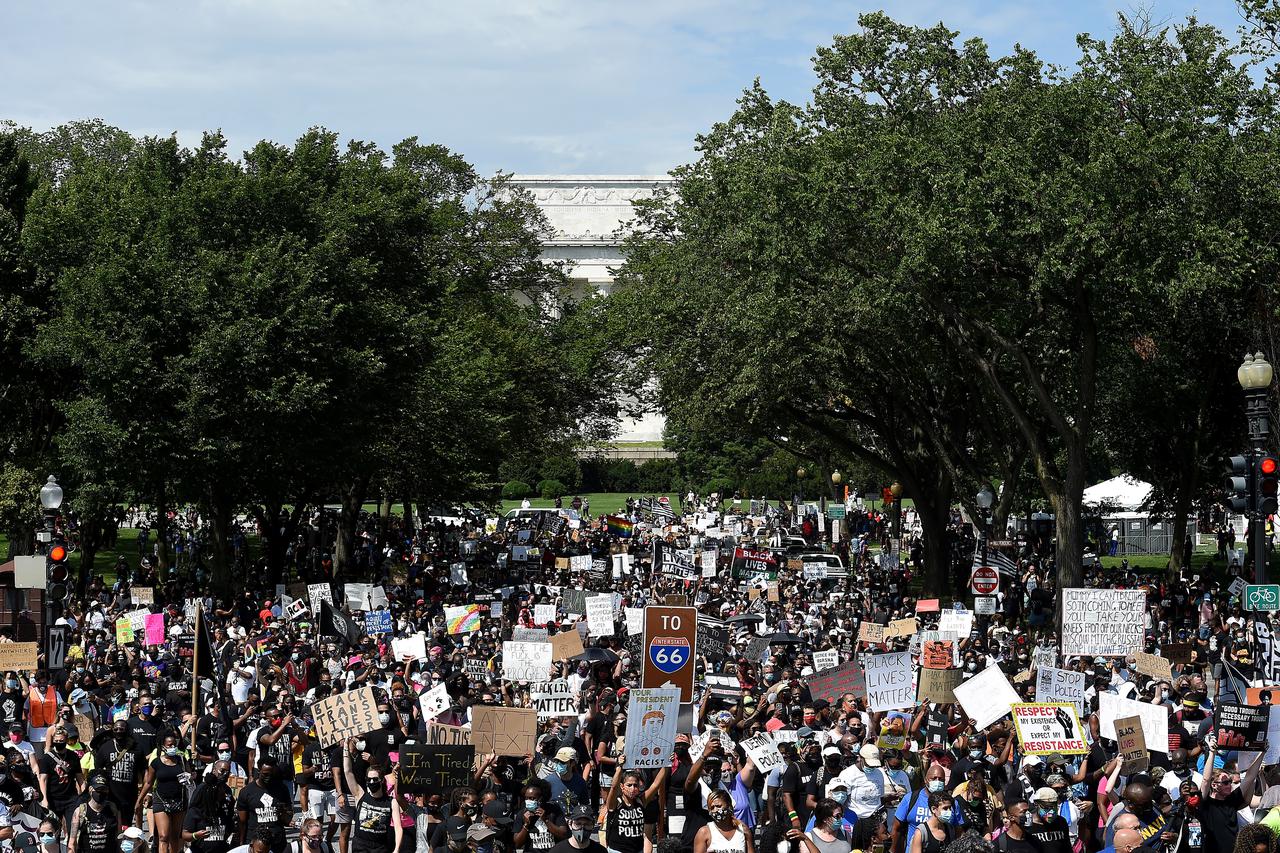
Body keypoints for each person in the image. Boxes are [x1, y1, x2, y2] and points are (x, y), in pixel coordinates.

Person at [342, 738, 402, 853]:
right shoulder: (360, 795)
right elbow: (347, 771)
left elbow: (398, 828)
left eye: (375, 779)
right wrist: (345, 746)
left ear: (381, 780)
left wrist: (396, 849)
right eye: (369, 779)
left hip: (380, 848)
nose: (372, 782)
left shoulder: (391, 802)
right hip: (360, 846)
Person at [136, 732, 192, 853]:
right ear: (163, 747)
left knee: (175, 836)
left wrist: (188, 777)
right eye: (169, 745)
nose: (172, 748)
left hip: (179, 800)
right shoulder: (156, 763)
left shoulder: (181, 760)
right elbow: (149, 783)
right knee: (163, 836)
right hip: (161, 800)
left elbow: (190, 776)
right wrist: (140, 799)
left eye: (174, 745)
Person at [184, 760, 239, 853]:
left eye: (228, 772)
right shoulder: (202, 788)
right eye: (222, 771)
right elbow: (193, 810)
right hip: (202, 841)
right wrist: (196, 834)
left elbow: (230, 811)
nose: (225, 774)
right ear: (214, 770)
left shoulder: (227, 790)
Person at [68, 772, 122, 853]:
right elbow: (72, 842)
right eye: (98, 790)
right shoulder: (80, 811)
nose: (101, 793)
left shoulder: (113, 810)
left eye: (104, 789)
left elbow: (119, 837)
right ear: (90, 790)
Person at [604, 768, 652, 853]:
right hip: (617, 850)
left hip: (638, 850)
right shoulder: (615, 803)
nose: (633, 788)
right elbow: (613, 787)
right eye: (629, 785)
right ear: (622, 786)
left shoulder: (640, 801)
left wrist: (666, 765)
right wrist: (619, 769)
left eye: (635, 785)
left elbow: (656, 784)